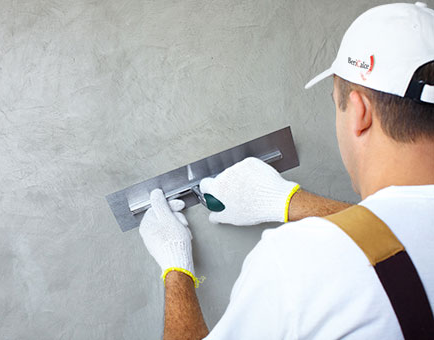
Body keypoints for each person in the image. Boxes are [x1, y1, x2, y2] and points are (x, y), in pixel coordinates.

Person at [138, 2, 434, 339]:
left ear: (359, 111)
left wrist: (176, 269)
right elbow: (405, 235)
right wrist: (288, 201)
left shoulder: (298, 264)